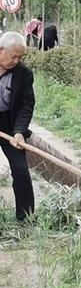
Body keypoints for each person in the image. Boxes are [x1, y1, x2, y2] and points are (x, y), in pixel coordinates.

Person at [0, 32, 35, 220]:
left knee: (21, 170)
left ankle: (26, 217)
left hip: (10, 125)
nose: (17, 60)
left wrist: (19, 132)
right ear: (1, 50)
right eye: (14, 56)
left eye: (20, 57)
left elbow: (26, 105)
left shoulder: (24, 74)